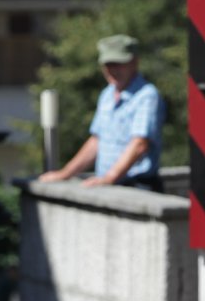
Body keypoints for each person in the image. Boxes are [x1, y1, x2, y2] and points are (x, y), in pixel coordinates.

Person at [36, 34, 163, 191]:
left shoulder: (147, 95)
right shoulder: (107, 94)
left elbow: (139, 144)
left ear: (134, 63)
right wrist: (65, 174)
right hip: (110, 186)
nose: (112, 70)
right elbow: (96, 141)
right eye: (108, 64)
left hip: (137, 186)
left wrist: (109, 178)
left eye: (118, 64)